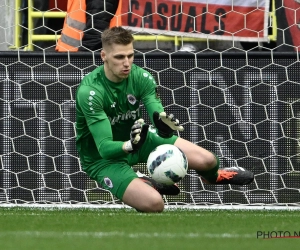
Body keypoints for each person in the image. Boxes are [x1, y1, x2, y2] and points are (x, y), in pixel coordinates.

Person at [75, 26, 254, 213]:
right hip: (103, 159)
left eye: (130, 55)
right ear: (103, 56)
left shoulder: (141, 77)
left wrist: (162, 125)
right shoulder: (91, 92)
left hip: (140, 138)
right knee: (154, 204)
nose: (127, 63)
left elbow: (156, 113)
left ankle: (212, 177)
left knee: (208, 161)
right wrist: (129, 145)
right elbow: (104, 147)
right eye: (119, 57)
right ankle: (146, 182)